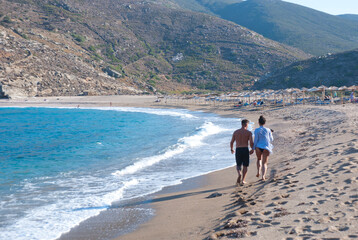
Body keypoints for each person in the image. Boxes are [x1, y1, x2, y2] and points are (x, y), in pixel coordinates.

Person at [230, 119, 254, 186]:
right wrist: (252, 149)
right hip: (245, 149)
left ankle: (239, 174)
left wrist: (232, 149)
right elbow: (251, 142)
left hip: (238, 149)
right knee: (245, 165)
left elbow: (231, 142)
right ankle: (243, 180)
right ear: (246, 124)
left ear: (241, 124)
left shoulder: (236, 132)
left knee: (238, 164)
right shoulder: (248, 133)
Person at [253, 116, 274, 181]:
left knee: (259, 159)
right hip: (266, 147)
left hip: (258, 147)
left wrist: (253, 148)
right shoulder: (268, 130)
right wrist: (271, 133)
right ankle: (263, 176)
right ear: (264, 123)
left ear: (258, 122)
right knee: (264, 163)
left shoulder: (256, 130)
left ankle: (258, 171)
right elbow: (271, 139)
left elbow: (256, 140)